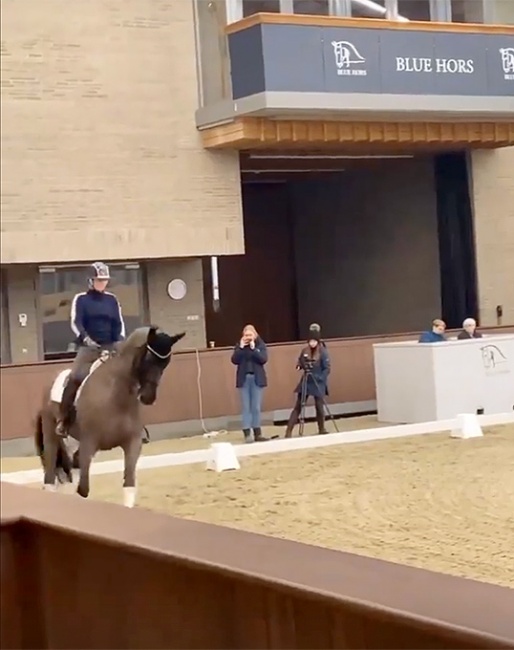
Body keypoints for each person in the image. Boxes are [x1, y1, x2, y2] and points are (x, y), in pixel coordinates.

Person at [56, 262, 125, 437]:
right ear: (91, 281)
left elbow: (119, 323)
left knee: (128, 379)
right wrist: (86, 339)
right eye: (99, 280)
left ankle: (133, 424)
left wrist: (119, 342)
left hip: (111, 347)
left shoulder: (112, 300)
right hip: (89, 348)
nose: (102, 283)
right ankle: (64, 420)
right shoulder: (81, 299)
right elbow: (76, 322)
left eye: (104, 280)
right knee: (75, 377)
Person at [285, 329, 330, 438]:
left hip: (318, 381)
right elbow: (300, 361)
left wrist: (320, 378)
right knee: (298, 406)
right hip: (306, 380)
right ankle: (288, 431)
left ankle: (321, 428)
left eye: (314, 341)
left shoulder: (323, 351)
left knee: (319, 406)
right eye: (310, 341)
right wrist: (299, 366)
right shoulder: (305, 350)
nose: (312, 343)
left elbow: (327, 368)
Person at [231, 324, 268, 443]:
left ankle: (258, 433)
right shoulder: (240, 346)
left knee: (256, 407)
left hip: (256, 378)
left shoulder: (260, 345)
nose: (248, 337)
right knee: (246, 407)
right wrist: (241, 347)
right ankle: (247, 433)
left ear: (255, 335)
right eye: (246, 335)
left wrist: (254, 349)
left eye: (250, 335)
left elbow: (263, 359)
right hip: (244, 379)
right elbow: (234, 360)